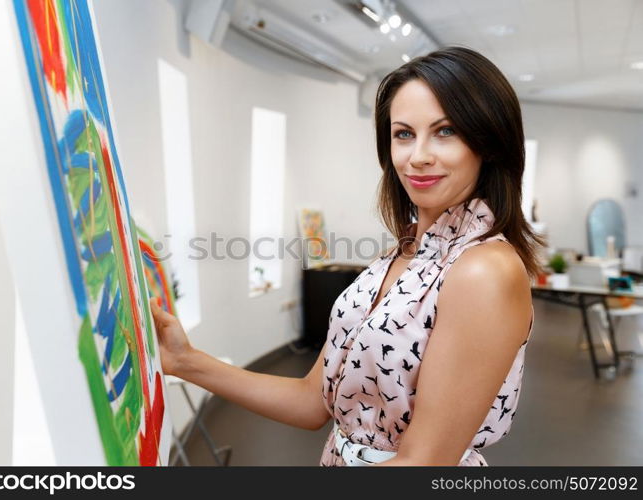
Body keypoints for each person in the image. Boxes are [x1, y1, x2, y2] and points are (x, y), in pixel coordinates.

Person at [150, 46, 545, 466]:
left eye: (446, 131)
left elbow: (423, 464)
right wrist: (185, 361)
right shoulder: (397, 256)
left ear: (488, 142)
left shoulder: (484, 270)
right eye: (404, 133)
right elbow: (310, 401)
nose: (418, 156)